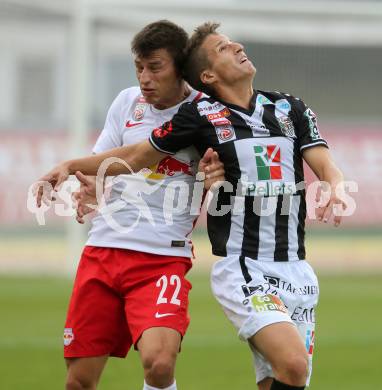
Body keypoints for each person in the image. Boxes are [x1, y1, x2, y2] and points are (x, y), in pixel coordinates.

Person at [36, 22, 346, 390]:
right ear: (207, 73)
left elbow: (321, 160)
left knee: (283, 379)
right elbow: (133, 156)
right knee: (293, 365)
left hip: (295, 267)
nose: (237, 46)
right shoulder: (196, 116)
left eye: (155, 67)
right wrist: (80, 172)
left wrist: (335, 185)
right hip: (242, 266)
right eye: (223, 47)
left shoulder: (287, 106)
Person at [41, 20, 225, 390]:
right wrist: (91, 186)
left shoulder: (207, 113)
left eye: (155, 67)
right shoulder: (126, 102)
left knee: (159, 363)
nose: (145, 78)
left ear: (180, 66)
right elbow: (105, 160)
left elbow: (219, 175)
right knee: (79, 381)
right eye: (139, 67)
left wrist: (215, 179)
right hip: (102, 252)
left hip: (161, 258)